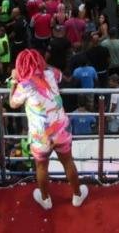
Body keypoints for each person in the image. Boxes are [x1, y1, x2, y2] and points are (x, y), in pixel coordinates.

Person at [8, 49, 89, 210]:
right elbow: (60, 75)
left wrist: (14, 82)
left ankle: (46, 200)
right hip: (61, 130)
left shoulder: (24, 85)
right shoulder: (50, 74)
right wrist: (42, 65)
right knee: (68, 162)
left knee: (41, 167)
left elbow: (12, 103)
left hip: (41, 136)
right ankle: (77, 195)